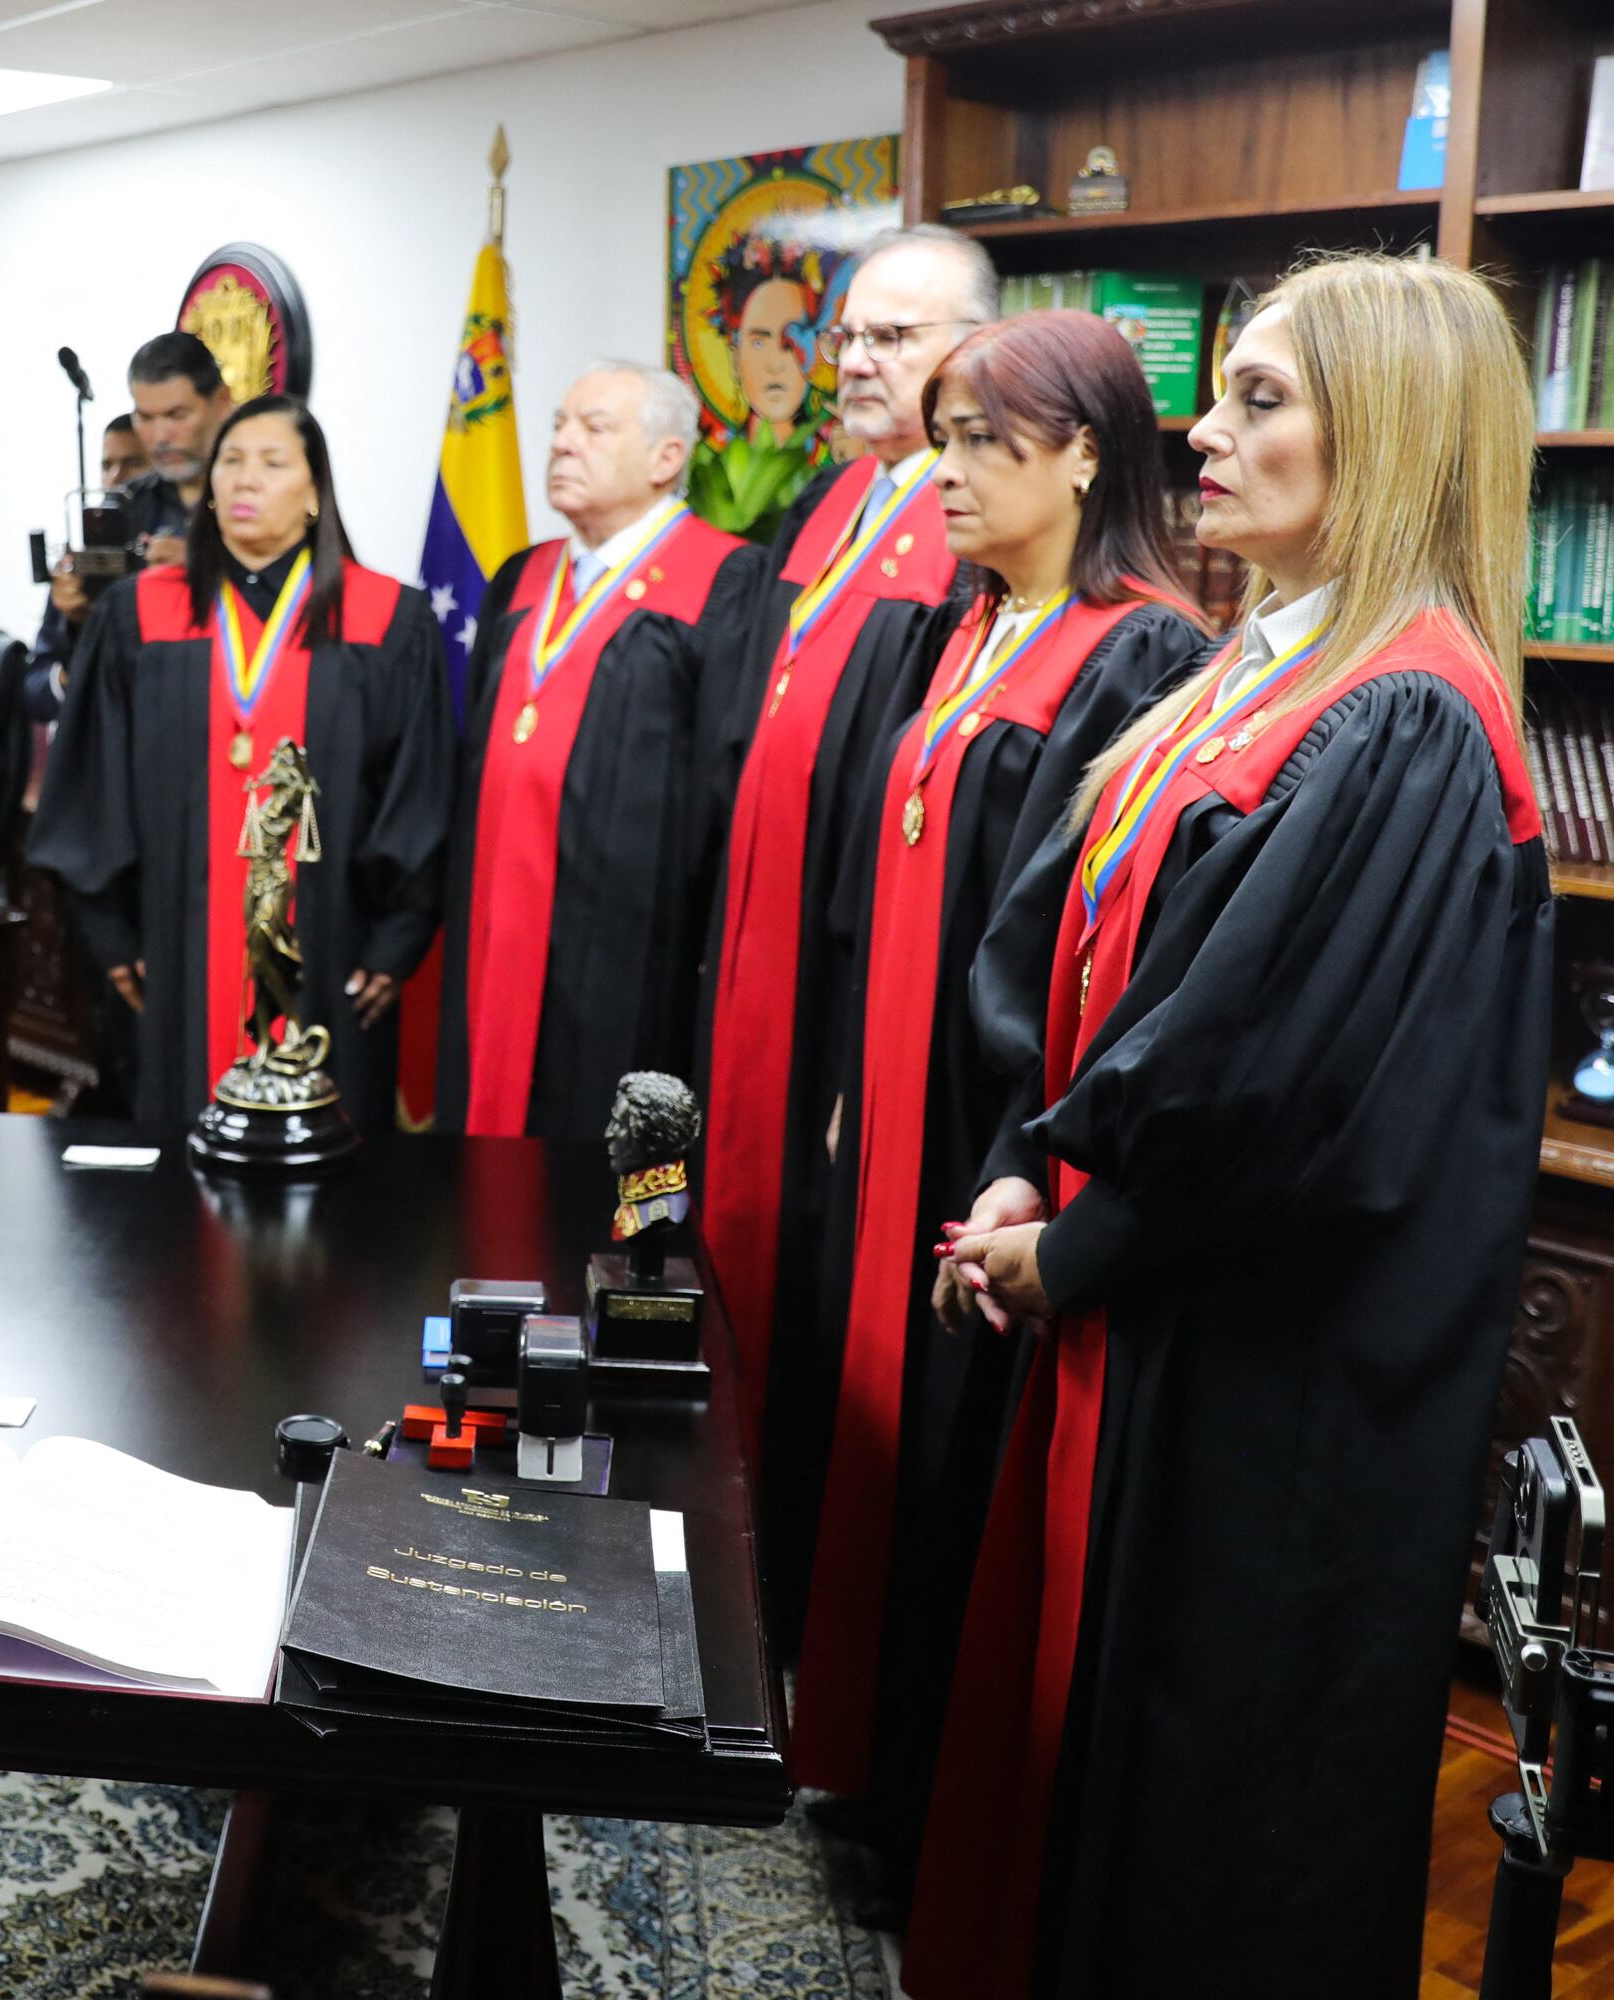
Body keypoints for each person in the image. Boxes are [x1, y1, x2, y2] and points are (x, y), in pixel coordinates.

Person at [909, 255, 1547, 2000]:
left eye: (1262, 396)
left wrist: (1077, 1241)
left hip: (1259, 1378)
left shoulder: (1408, 716)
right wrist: (1023, 1154)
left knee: (1206, 1814)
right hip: (1135, 1301)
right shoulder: (1240, 684)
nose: (1202, 424)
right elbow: (1056, 955)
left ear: (1395, 430)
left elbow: (1276, 1076)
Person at [785, 312, 1212, 1903]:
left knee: (959, 1458)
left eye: (986, 441)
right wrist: (847, 1086)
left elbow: (1081, 949)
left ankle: (922, 1808)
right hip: (888, 1109)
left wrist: (1018, 1149)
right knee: (875, 1442)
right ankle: (858, 1753)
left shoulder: (1137, 650)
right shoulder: (959, 628)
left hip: (992, 1137)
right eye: (944, 435)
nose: (945, 470)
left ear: (1088, 453)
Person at [698, 222, 991, 1642]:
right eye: (851, 335)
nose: (858, 360)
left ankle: (797, 1590)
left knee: (819, 1279)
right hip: (755, 970)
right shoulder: (832, 512)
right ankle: (742, 1544)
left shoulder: (969, 538)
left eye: (898, 336)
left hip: (840, 1000)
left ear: (975, 354)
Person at [31, 393, 452, 1127]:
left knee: (327, 1172)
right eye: (230, 461)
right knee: (181, 1172)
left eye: (272, 462)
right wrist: (110, 928)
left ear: (315, 490)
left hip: (333, 948)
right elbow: (92, 780)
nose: (245, 480)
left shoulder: (387, 619)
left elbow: (418, 793)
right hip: (174, 947)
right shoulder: (139, 615)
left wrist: (395, 942)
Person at [435, 361, 766, 1138]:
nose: (561, 444)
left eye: (594, 428)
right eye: (558, 425)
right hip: (494, 930)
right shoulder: (522, 577)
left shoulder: (727, 580)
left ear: (665, 459)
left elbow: (727, 779)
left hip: (628, 944)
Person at [24, 333, 233, 724]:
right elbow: (39, 687)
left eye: (176, 415)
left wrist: (207, 568)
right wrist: (80, 621)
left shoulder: (255, 504)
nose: (159, 436)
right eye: (146, 417)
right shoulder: (116, 513)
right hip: (132, 738)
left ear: (221, 402)